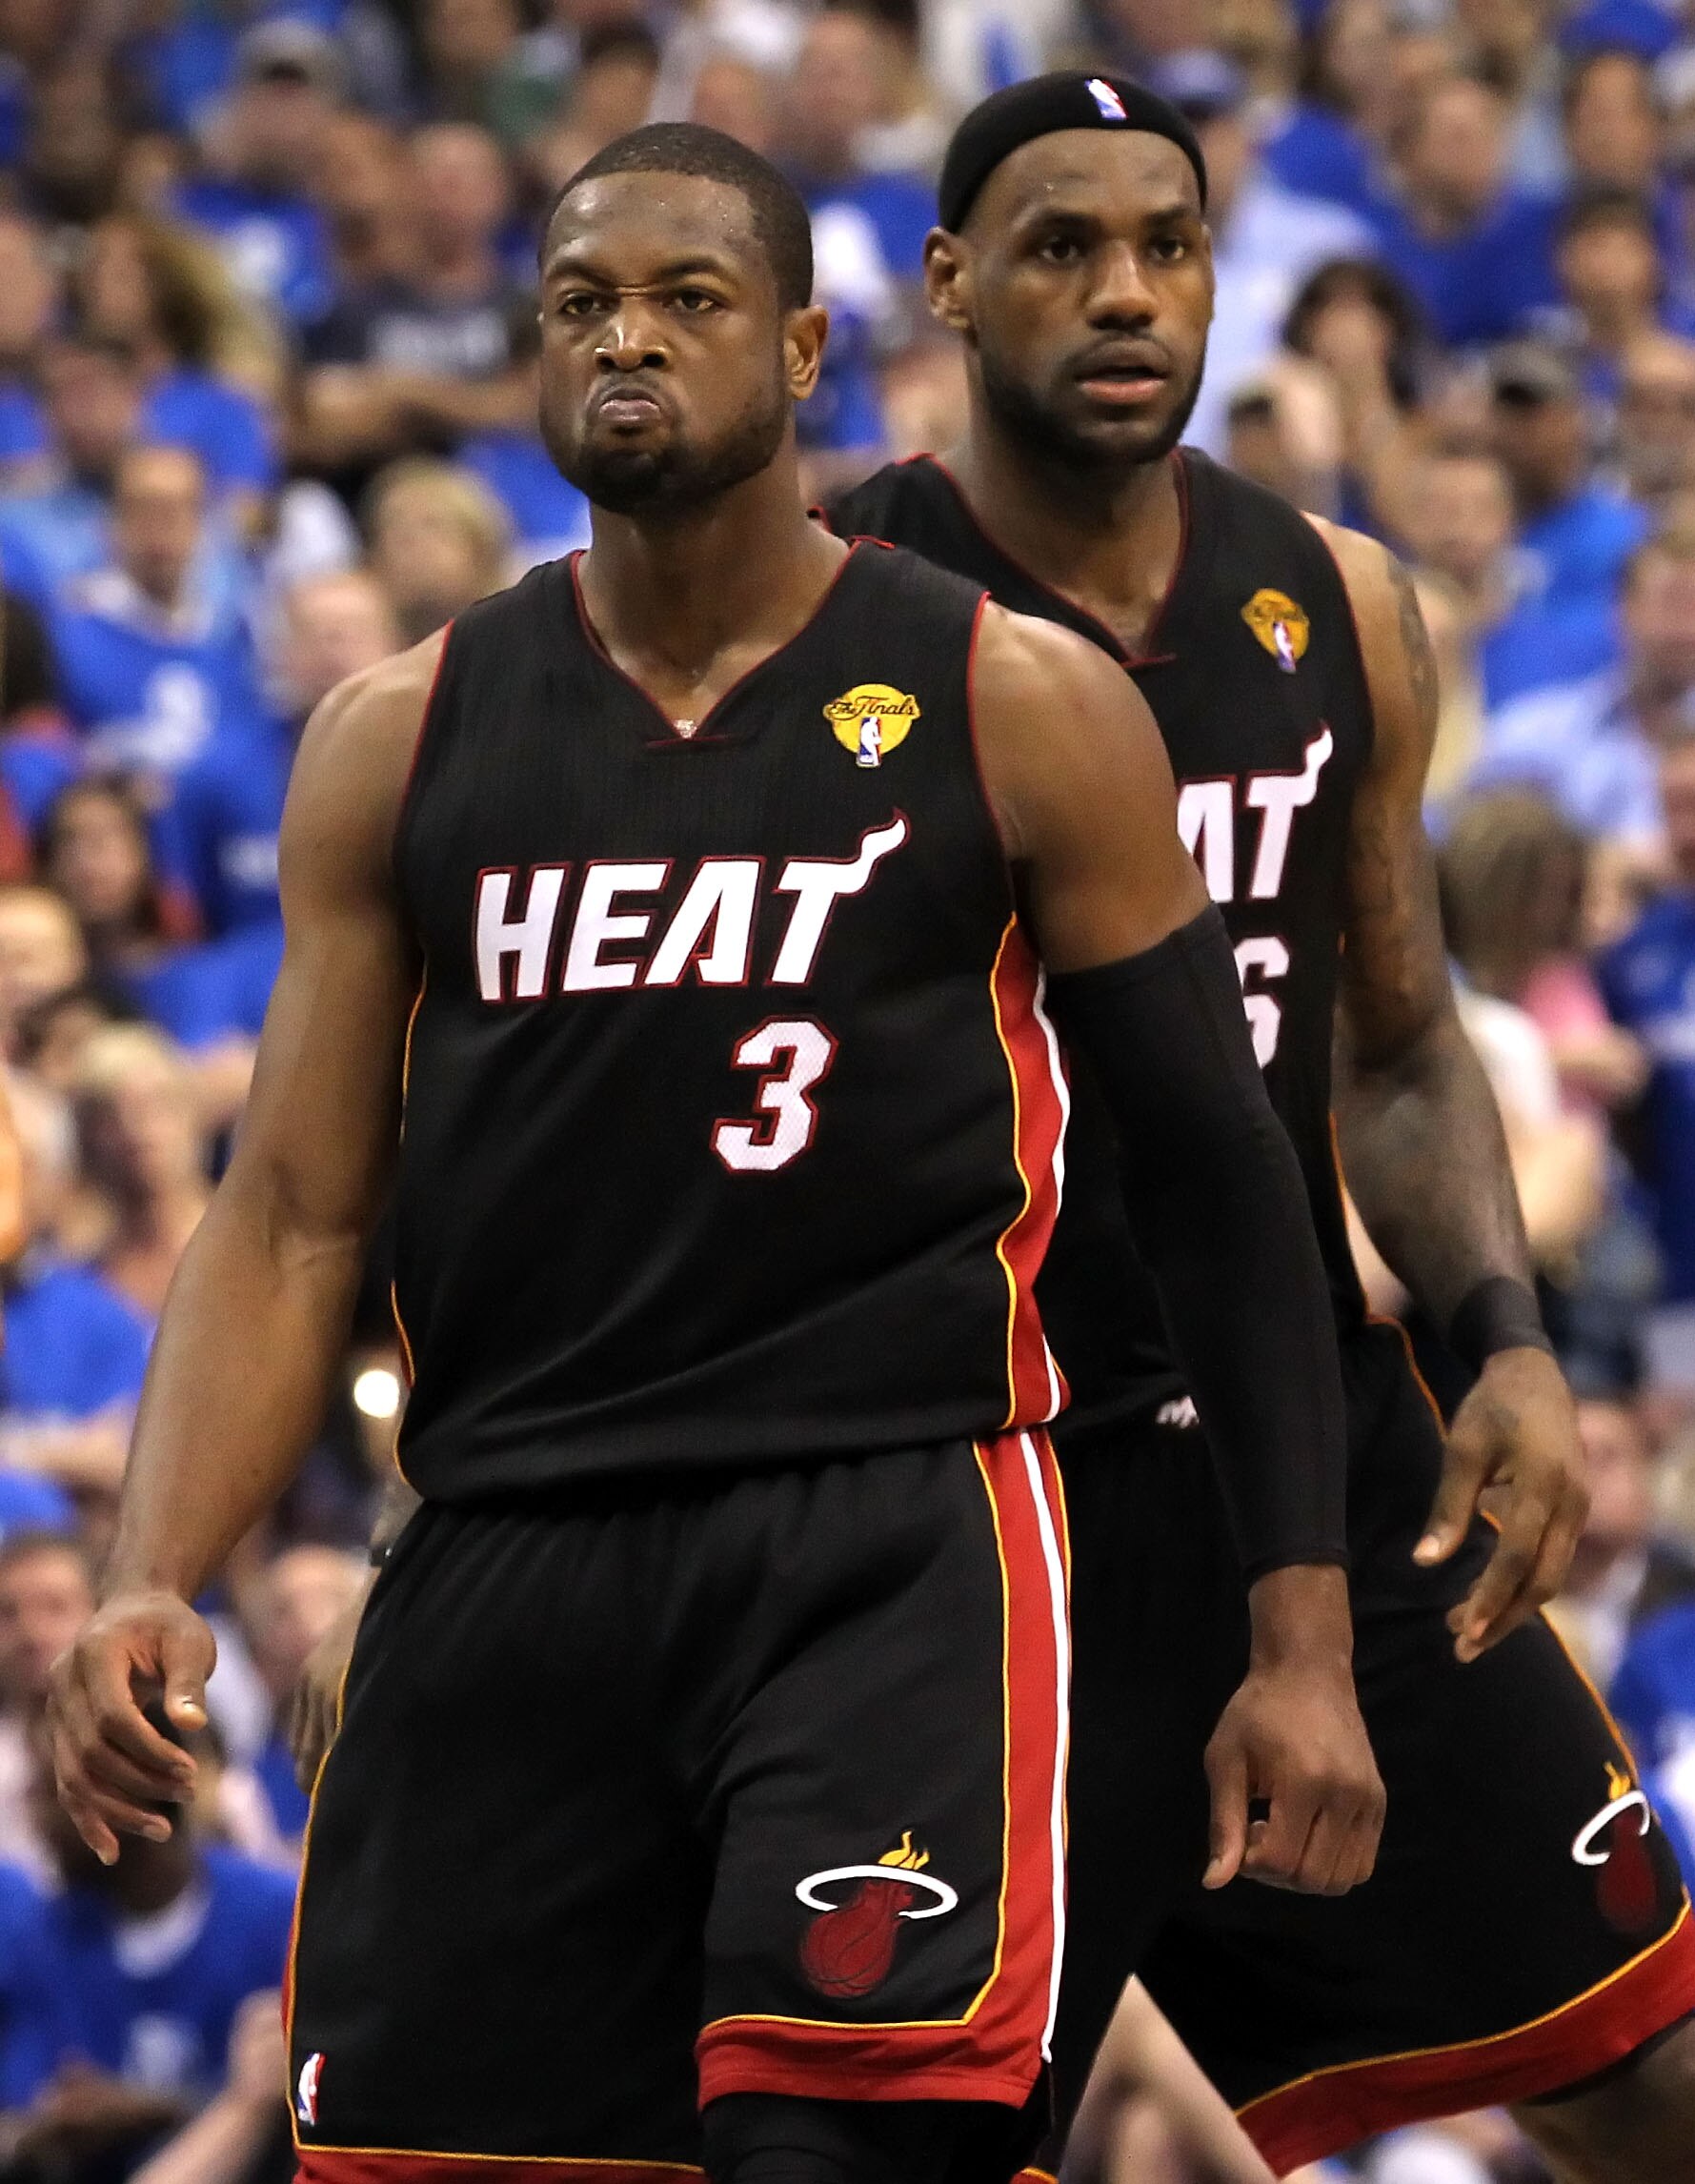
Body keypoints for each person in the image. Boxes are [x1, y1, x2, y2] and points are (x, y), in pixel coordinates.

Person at [50, 121, 1382, 2184]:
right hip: (509, 1545)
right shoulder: (400, 733)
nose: (627, 344)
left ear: (804, 352)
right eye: (581, 304)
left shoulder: (1010, 699)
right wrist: (152, 1569)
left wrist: (1298, 1631)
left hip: (894, 1533)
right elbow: (299, 1214)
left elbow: (1226, 1179)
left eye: (686, 301)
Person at [823, 70, 1695, 2183]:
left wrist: (1497, 1330)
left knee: (1651, 2086)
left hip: (1294, 1452)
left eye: (1167, 245)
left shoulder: (1340, 605)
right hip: (949, 1492)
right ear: (946, 283)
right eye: (1058, 248)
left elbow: (1394, 1049)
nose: (1124, 294)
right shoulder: (822, 609)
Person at [46, 444, 268, 779]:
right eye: (144, 508)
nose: (161, 526)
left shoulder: (234, 637)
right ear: (111, 522)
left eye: (179, 508)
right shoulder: (65, 638)